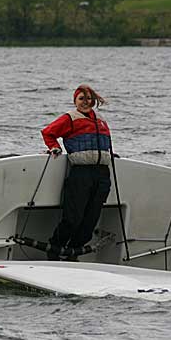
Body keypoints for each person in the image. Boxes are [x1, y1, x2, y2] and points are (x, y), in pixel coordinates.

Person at [41, 84, 112, 260]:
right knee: (73, 218)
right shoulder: (69, 118)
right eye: (81, 98)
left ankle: (73, 251)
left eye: (88, 99)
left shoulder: (101, 120)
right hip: (81, 173)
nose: (85, 102)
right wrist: (55, 148)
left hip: (102, 174)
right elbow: (48, 133)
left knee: (90, 220)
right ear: (75, 101)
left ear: (93, 101)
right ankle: (55, 249)